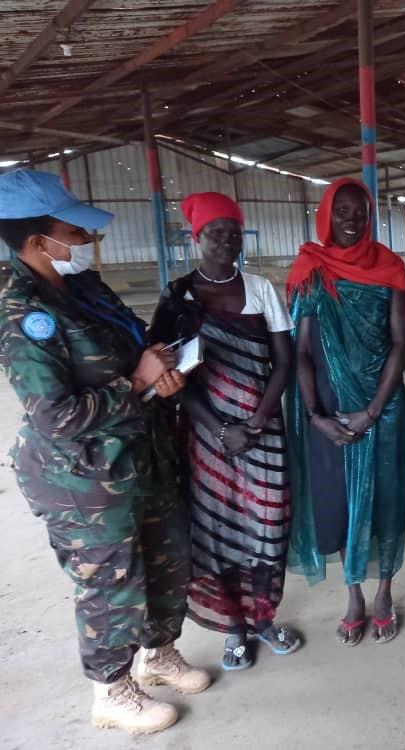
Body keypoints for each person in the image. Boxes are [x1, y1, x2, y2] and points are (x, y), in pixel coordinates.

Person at [0, 169, 210, 735]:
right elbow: (56, 416)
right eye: (75, 232)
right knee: (111, 581)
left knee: (168, 556)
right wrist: (138, 384)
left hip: (142, 452)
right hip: (83, 478)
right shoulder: (25, 314)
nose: (87, 242)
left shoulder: (85, 287)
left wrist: (161, 367)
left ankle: (158, 653)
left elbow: (134, 346)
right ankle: (112, 690)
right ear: (37, 241)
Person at [149, 192, 301, 671]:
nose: (226, 242)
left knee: (268, 527)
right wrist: (219, 429)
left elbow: (284, 362)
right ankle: (234, 629)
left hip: (264, 433)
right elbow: (168, 377)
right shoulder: (178, 297)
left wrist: (255, 422)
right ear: (197, 239)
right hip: (208, 438)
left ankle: (264, 618)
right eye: (216, 233)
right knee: (218, 533)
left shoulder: (260, 289)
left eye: (233, 233)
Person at [286, 178, 405, 646]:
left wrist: (374, 410)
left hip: (383, 407)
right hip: (331, 412)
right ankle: (354, 594)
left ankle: (384, 593)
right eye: (342, 211)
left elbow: (401, 342)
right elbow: (300, 352)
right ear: (326, 214)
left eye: (360, 211)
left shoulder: (391, 267)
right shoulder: (311, 270)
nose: (351, 219)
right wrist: (315, 415)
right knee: (339, 502)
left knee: (386, 497)